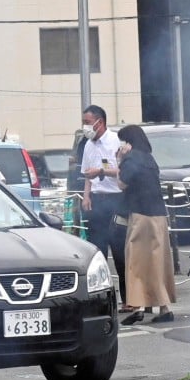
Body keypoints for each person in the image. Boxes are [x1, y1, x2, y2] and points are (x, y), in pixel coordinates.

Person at [115, 124, 175, 325]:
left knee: (136, 261)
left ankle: (138, 307)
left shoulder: (131, 159)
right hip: (159, 214)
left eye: (123, 141)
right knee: (158, 262)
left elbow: (122, 184)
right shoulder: (150, 158)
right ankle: (164, 307)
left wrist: (119, 160)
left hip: (141, 215)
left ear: (128, 142)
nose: (121, 145)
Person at [79, 105, 126, 306]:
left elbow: (123, 172)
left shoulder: (116, 141)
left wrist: (101, 172)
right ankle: (103, 301)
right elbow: (86, 174)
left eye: (88, 122)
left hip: (116, 199)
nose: (86, 127)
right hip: (96, 200)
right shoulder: (88, 144)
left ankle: (128, 299)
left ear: (100, 121)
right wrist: (86, 196)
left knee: (120, 252)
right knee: (97, 252)